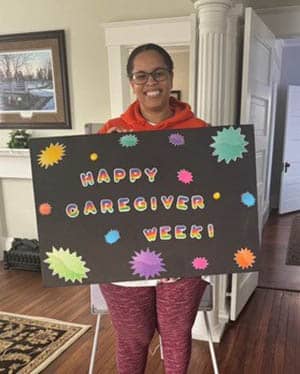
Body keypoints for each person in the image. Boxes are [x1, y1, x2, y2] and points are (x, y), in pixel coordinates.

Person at [99, 43, 208, 374]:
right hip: (124, 263)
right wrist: (109, 155)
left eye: (158, 73)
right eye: (141, 75)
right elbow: (98, 199)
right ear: (131, 82)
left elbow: (212, 195)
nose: (151, 82)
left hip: (182, 255)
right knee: (133, 339)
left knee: (175, 338)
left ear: (170, 76)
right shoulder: (112, 131)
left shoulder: (199, 131)